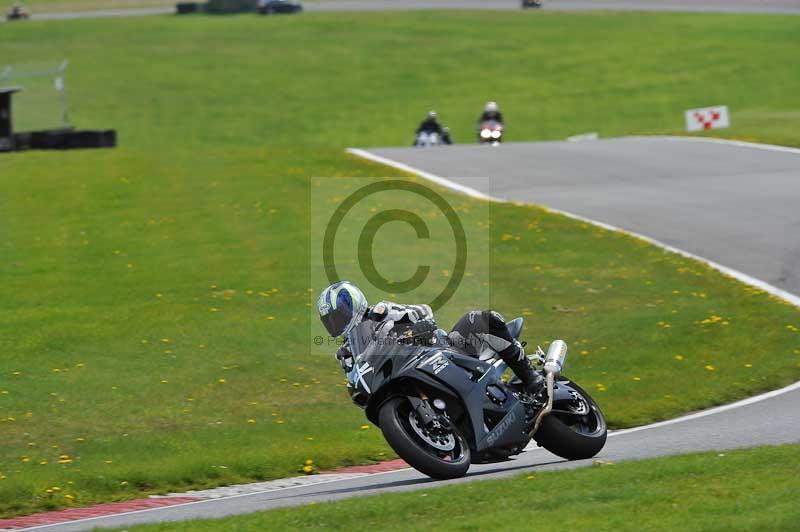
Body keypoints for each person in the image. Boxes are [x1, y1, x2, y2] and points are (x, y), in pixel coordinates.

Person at [316, 281, 543, 394]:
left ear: (353, 303)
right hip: (406, 381)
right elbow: (357, 387)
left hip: (444, 349)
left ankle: (531, 377)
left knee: (482, 319)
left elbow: (423, 310)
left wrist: (408, 322)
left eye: (339, 315)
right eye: (332, 321)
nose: (337, 323)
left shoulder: (381, 312)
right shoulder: (347, 353)